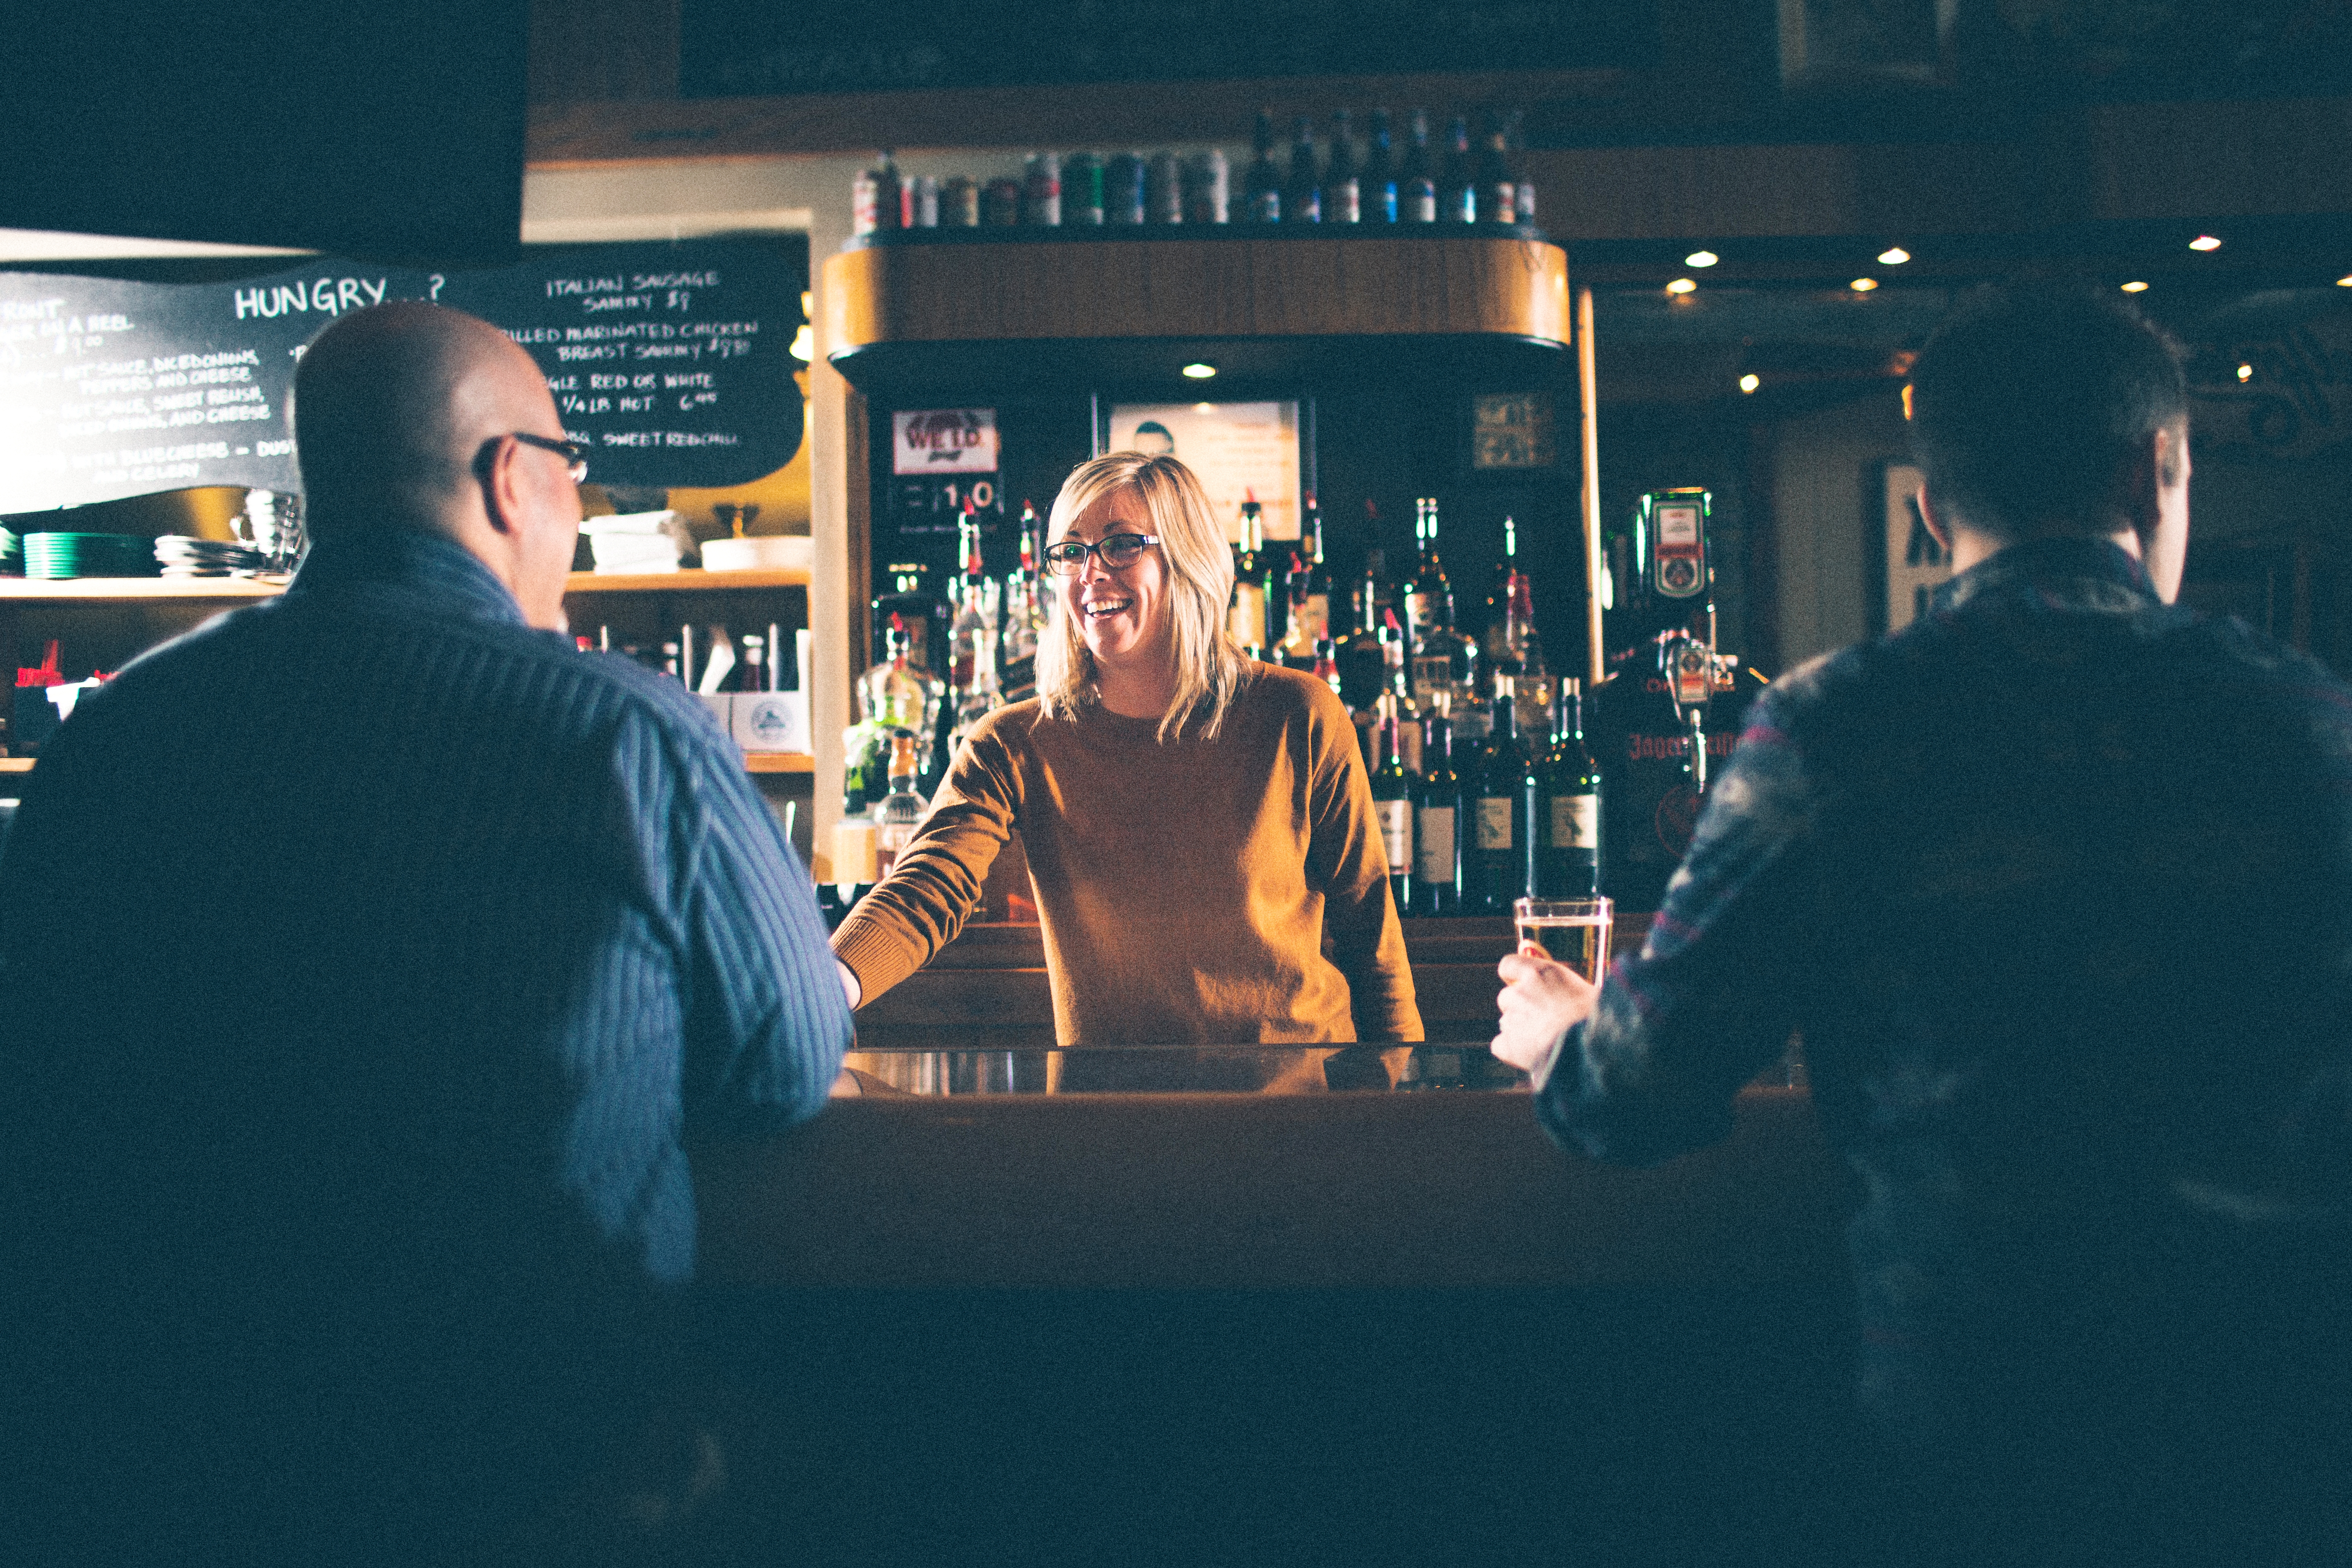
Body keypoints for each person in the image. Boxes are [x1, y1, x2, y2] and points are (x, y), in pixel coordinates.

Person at [1492, 288, 2352, 1564]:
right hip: (2279, 1401)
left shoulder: (1839, 724)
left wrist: (1566, 1031)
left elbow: (1640, 1098)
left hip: (1978, 1403)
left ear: (1932, 505)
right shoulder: (2309, 722)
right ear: (2157, 468)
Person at [0, 302, 853, 1565]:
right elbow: (782, 1068)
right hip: (529, 1482)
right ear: (511, 479)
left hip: (142, 1477)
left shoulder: (121, 736)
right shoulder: (629, 738)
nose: (572, 509)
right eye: (570, 472)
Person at [830, 452, 1419, 1064]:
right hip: (1113, 1112)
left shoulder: (1296, 713)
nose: (1090, 574)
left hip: (1296, 1110)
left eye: (1120, 546)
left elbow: (1370, 932)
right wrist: (824, 984)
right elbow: (927, 885)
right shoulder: (1014, 743)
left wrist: (1402, 1105)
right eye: (1072, 551)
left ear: (1186, 558)